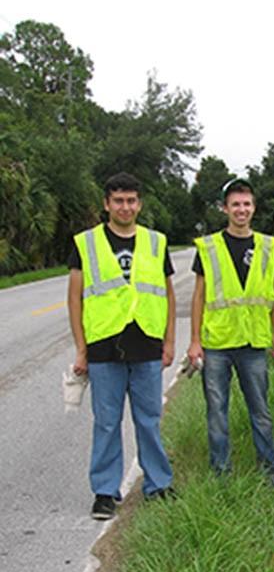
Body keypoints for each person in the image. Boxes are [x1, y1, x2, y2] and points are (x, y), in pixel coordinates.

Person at [67, 172, 175, 520]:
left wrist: (169, 342)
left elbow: (168, 295)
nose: (125, 207)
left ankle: (158, 484)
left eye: (131, 201)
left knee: (149, 419)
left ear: (139, 204)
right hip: (103, 347)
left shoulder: (157, 242)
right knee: (107, 422)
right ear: (106, 204)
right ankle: (104, 492)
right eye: (118, 201)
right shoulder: (85, 243)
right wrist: (81, 350)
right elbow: (75, 299)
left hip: (146, 345)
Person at [188, 178, 274, 485]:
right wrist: (194, 341)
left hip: (254, 342)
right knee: (217, 412)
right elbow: (199, 296)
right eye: (235, 205)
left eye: (246, 204)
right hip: (216, 343)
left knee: (261, 412)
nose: (241, 210)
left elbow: (273, 294)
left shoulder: (269, 247)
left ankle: (270, 471)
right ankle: (221, 473)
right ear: (225, 209)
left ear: (253, 208)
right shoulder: (208, 247)